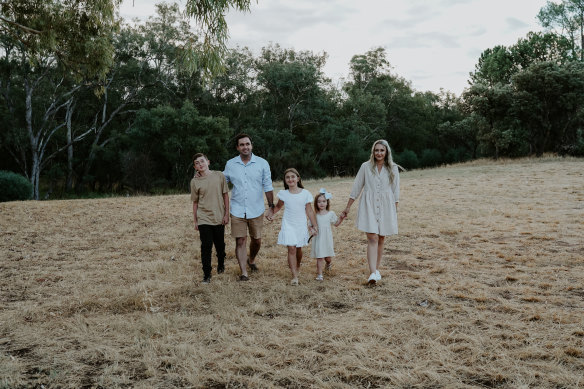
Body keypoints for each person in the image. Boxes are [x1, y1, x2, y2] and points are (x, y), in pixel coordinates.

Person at [340, 140, 400, 285]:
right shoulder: (365, 167)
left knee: (381, 238)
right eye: (376, 150)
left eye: (382, 150)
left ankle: (376, 270)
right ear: (373, 152)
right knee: (372, 237)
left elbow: (395, 191)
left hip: (386, 206)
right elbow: (356, 187)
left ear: (387, 152)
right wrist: (348, 206)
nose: (379, 153)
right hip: (369, 205)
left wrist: (394, 211)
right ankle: (372, 272)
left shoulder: (393, 168)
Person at [223, 133, 274, 281]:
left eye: (247, 144)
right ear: (237, 147)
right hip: (237, 209)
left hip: (256, 209)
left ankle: (251, 259)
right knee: (240, 241)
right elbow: (222, 180)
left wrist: (271, 206)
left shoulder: (262, 163)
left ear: (251, 145)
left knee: (256, 240)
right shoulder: (231, 164)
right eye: (242, 145)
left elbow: (268, 186)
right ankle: (244, 272)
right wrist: (202, 175)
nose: (245, 147)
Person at [266, 168, 318, 285]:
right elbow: (278, 207)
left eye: (293, 177)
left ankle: (297, 265)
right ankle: (294, 276)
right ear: (285, 180)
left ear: (298, 178)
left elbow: (309, 211)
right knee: (291, 248)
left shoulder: (305, 193)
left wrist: (314, 226)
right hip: (288, 224)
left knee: (298, 249)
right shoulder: (284, 194)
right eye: (287, 177)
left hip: (300, 224)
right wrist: (270, 213)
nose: (290, 179)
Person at [190, 153, 229, 284]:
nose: (200, 164)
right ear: (195, 167)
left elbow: (225, 195)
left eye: (202, 161)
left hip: (218, 216)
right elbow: (195, 202)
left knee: (220, 245)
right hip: (203, 218)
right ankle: (206, 275)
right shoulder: (195, 182)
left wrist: (226, 214)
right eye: (197, 163)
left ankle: (221, 263)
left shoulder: (219, 175)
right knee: (206, 246)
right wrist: (195, 221)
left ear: (208, 162)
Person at [310, 188, 343, 281]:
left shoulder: (330, 214)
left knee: (327, 258)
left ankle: (328, 264)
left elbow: (336, 224)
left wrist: (341, 218)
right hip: (318, 238)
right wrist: (312, 229)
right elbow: (310, 225)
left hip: (327, 238)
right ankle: (320, 275)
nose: (321, 203)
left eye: (324, 201)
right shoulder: (314, 215)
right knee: (319, 257)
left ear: (327, 203)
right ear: (316, 203)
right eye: (319, 202)